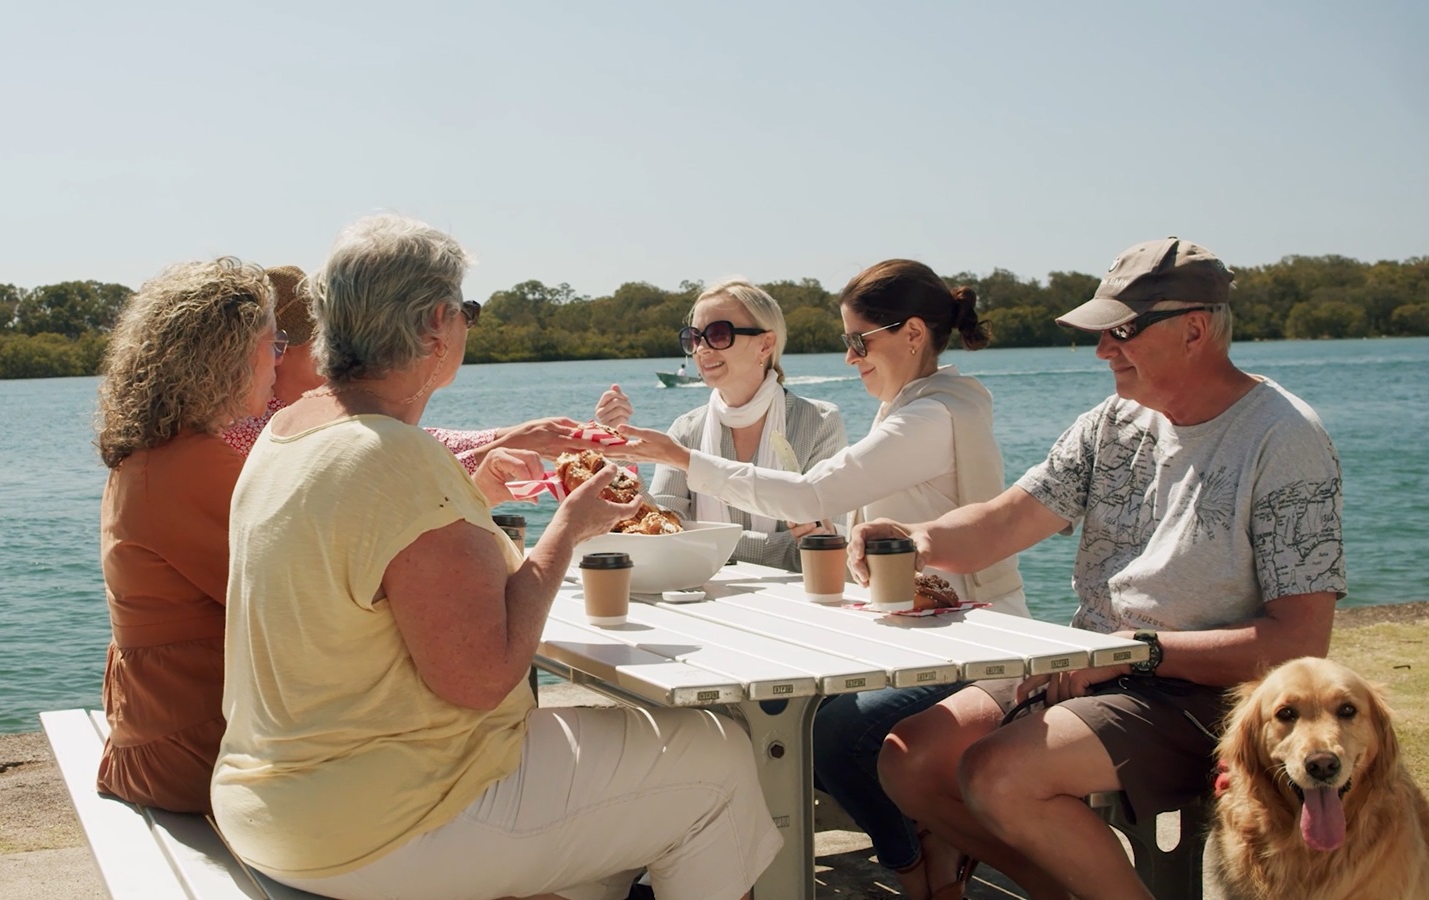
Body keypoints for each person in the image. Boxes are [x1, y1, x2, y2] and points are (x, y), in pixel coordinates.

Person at [212, 214, 782, 900]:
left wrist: (469, 493)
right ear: (434, 326)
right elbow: (482, 678)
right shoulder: (393, 457)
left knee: (621, 775)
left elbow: (379, 568)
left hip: (271, 799)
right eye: (467, 312)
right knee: (716, 757)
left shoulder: (288, 429)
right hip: (376, 825)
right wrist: (567, 530)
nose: (466, 329)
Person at [858, 237, 1345, 900]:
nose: (1102, 351)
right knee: (910, 760)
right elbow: (1004, 523)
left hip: (1206, 694)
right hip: (1096, 661)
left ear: (1194, 329)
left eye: (1121, 331)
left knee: (1000, 775)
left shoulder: (1284, 437)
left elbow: (1297, 644)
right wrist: (915, 539)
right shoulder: (1111, 422)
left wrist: (1134, 653)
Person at [613, 259, 1027, 898]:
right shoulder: (913, 408)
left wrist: (678, 458)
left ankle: (916, 863)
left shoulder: (930, 418)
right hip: (918, 630)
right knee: (780, 711)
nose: (850, 356)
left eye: (860, 341)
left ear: (912, 333)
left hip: (974, 642)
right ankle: (739, 864)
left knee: (834, 733)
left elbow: (810, 495)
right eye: (847, 341)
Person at [93, 258, 281, 813]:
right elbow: (304, 599)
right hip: (195, 751)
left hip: (162, 736)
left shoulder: (158, 456)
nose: (281, 358)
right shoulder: (187, 467)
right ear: (227, 358)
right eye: (275, 340)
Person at [222, 265, 594, 472]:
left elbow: (406, 443)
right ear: (277, 351)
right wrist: (498, 451)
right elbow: (383, 476)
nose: (333, 352)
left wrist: (512, 434)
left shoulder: (289, 414)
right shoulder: (251, 429)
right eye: (322, 342)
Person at [595, 278, 847, 571]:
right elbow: (663, 533)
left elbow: (824, 546)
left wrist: (703, 540)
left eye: (717, 333)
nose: (702, 349)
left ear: (765, 344)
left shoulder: (819, 423)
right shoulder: (685, 430)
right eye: (694, 337)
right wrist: (616, 451)